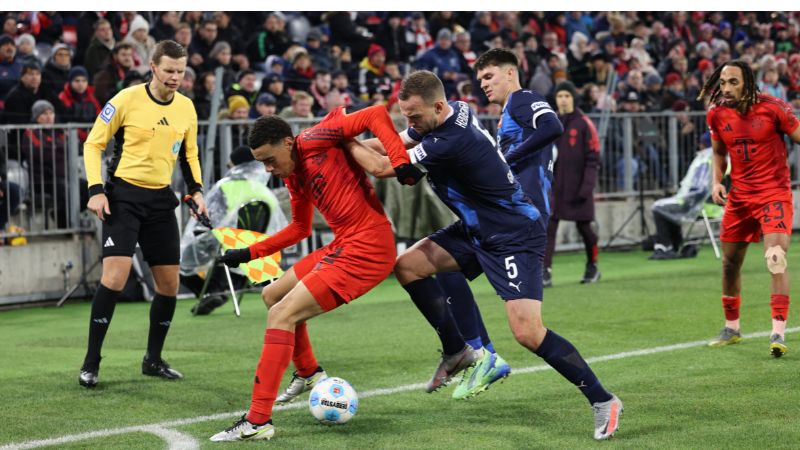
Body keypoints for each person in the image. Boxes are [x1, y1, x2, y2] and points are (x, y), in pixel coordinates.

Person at [349, 67, 621, 440]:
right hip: (477, 228)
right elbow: (397, 142)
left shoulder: (450, 139)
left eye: (414, 116)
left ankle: (603, 399)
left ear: (437, 106)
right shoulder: (448, 113)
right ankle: (458, 351)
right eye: (407, 115)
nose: (410, 122)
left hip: (513, 234)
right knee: (409, 267)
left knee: (528, 332)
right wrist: (345, 141)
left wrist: (343, 142)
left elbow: (383, 167)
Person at [208, 106, 422, 441]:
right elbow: (300, 228)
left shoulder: (314, 139)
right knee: (272, 295)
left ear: (289, 142)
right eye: (261, 162)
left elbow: (375, 115)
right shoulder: (292, 175)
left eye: (269, 159)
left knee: (281, 315)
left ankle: (258, 421)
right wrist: (249, 252)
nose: (268, 169)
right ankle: (309, 372)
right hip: (344, 243)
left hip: (367, 248)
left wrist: (400, 159)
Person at [472, 50, 620, 439]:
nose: (483, 83)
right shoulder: (508, 112)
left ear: (510, 73)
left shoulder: (523, 99)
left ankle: (602, 398)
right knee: (419, 264)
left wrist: (508, 159)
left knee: (527, 331)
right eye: (480, 78)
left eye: (489, 76)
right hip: (498, 221)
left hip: (521, 225)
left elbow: (552, 126)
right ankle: (467, 352)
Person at [78, 40, 206, 388]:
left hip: (161, 201)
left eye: (180, 71)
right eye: (169, 70)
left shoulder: (187, 108)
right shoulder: (125, 99)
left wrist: (197, 191)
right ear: (153, 67)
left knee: (169, 284)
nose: (175, 77)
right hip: (123, 199)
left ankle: (153, 359)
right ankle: (91, 362)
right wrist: (96, 189)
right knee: (115, 277)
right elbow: (93, 144)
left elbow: (189, 155)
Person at [698, 60, 800, 357]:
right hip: (739, 197)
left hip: (773, 194)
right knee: (729, 264)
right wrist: (717, 181)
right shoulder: (716, 113)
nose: (726, 88)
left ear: (748, 83)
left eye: (733, 82)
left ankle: (777, 333)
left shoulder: (774, 107)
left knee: (775, 257)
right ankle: (732, 328)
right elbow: (718, 152)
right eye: (723, 82)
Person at [544, 81, 601, 287]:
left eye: (567, 96)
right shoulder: (551, 123)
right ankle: (545, 271)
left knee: (585, 229)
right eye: (560, 96)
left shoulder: (584, 123)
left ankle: (593, 265)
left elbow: (593, 157)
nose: (563, 100)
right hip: (556, 189)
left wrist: (587, 187)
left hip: (579, 188)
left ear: (573, 99)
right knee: (549, 228)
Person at [648, 132, 720, 260]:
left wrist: (685, 199)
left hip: (700, 205)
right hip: (720, 206)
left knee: (658, 207)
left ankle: (666, 247)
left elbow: (699, 188)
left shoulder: (705, 158)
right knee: (668, 208)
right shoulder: (726, 157)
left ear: (702, 144)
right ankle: (675, 245)